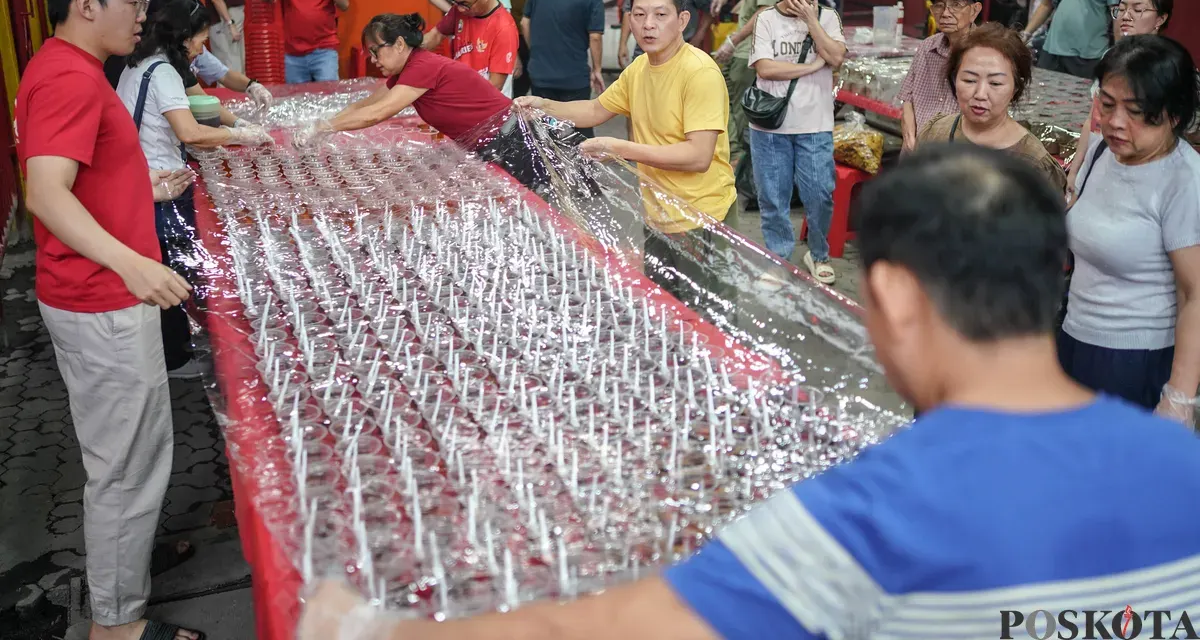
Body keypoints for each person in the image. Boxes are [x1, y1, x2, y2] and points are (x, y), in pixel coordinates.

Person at [299, 143, 1200, 640]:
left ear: (892, 296)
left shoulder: (875, 513)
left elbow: (604, 632)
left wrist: (364, 629)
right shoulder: (1182, 465)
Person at [14, 0, 203, 640]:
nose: (142, 15)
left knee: (130, 458)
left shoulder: (75, 69)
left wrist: (140, 189)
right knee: (125, 466)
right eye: (133, 0)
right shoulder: (68, 77)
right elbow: (45, 193)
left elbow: (78, 179)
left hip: (96, 294)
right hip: (102, 300)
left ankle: (125, 564)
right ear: (86, 4)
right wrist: (133, 263)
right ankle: (117, 624)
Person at [515, 0, 736, 305]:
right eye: (639, 14)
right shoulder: (639, 69)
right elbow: (594, 110)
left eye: (660, 15)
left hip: (701, 217)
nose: (648, 25)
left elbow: (698, 156)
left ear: (682, 20)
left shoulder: (699, 73)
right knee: (668, 312)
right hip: (658, 215)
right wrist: (544, 105)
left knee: (709, 315)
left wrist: (618, 148)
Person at [116, 0, 271, 378]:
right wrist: (239, 135)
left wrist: (234, 126)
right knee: (172, 269)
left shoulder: (138, 63)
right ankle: (176, 358)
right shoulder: (164, 72)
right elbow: (189, 132)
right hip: (162, 185)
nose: (201, 50)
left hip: (140, 178)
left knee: (162, 266)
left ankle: (170, 351)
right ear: (183, 38)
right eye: (200, 41)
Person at [1059, 34, 1200, 422]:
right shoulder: (1103, 151)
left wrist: (1179, 398)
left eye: (1136, 111)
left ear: (1173, 114)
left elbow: (1195, 295)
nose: (1115, 122)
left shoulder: (1184, 180)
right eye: (1107, 104)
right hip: (1075, 336)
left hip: (1134, 361)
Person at [300, 13, 550, 189]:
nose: (372, 59)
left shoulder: (422, 66)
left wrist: (325, 128)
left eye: (375, 51)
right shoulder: (408, 70)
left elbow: (378, 113)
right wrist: (324, 125)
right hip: (493, 141)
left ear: (399, 44)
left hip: (511, 140)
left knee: (537, 208)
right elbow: (366, 104)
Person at [747, 0, 846, 285]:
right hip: (770, 125)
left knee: (820, 194)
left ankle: (818, 254)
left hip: (815, 124)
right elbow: (765, 68)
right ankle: (778, 260)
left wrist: (811, 21)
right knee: (773, 198)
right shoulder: (766, 19)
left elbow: (836, 57)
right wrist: (811, 66)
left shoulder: (828, 18)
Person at [917, 23, 1067, 193]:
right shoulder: (935, 132)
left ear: (1016, 88)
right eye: (969, 80)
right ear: (954, 79)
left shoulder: (1033, 161)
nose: (980, 94)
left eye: (995, 83)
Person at [1064, 0, 1174, 200]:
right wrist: (1076, 169)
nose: (1126, 16)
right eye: (1122, 9)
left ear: (1160, 19)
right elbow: (1093, 119)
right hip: (1096, 157)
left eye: (1138, 10)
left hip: (1134, 169)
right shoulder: (1111, 56)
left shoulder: (1165, 67)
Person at [104, 0, 274, 110]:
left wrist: (252, 85)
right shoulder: (158, 52)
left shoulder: (187, 42)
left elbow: (223, 74)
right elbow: (195, 117)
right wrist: (239, 128)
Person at [711, 0, 779, 191]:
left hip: (749, 50)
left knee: (738, 109)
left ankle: (737, 161)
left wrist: (734, 39)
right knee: (721, 97)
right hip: (741, 49)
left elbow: (765, 10)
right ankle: (734, 154)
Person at [522, 0, 609, 139]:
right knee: (578, 132)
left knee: (545, 131)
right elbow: (595, 37)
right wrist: (597, 69)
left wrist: (536, 51)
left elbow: (524, 23)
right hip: (573, 78)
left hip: (540, 74)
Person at [898, 0, 984, 150]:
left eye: (956, 5)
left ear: (974, 11)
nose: (945, 14)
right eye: (939, 5)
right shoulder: (927, 47)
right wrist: (910, 139)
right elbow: (907, 98)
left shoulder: (986, 54)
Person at [419, 0, 519, 96]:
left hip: (486, 101)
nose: (460, 9)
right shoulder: (460, 9)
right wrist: (410, 51)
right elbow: (436, 35)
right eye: (455, 2)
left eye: (465, 4)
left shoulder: (504, 28)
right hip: (460, 93)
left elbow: (495, 86)